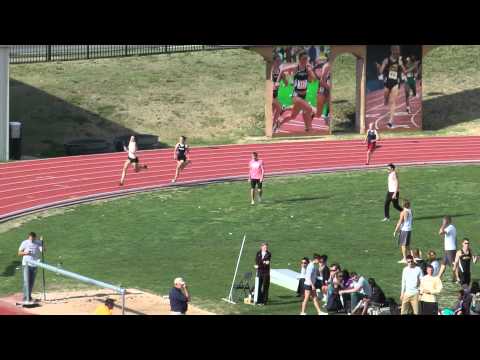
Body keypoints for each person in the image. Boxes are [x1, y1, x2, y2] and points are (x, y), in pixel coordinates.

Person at [277, 51, 316, 132]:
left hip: (303, 96)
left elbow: (312, 79)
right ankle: (309, 128)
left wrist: (310, 70)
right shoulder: (295, 67)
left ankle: (279, 123)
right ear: (299, 59)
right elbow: (282, 70)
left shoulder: (307, 69)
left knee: (293, 116)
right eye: (303, 59)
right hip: (296, 95)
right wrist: (277, 81)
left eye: (306, 59)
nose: (305, 60)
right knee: (309, 109)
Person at [377, 45, 404, 128]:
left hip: (396, 82)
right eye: (396, 50)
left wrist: (401, 65)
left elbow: (405, 71)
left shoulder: (400, 60)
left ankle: (390, 121)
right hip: (387, 82)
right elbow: (381, 71)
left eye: (398, 50)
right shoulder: (386, 60)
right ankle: (385, 100)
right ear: (392, 50)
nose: (398, 52)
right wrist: (379, 67)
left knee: (392, 101)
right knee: (386, 97)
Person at [18, 232, 44, 304]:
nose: (31, 240)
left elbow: (43, 250)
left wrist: (42, 243)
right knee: (26, 281)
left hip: (35, 265)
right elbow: (19, 253)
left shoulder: (38, 242)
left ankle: (29, 297)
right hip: (26, 264)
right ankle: (25, 298)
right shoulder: (25, 243)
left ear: (35, 238)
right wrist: (26, 253)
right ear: (28, 237)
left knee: (31, 282)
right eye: (30, 238)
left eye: (33, 239)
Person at [314, 54, 332, 125]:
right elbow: (321, 81)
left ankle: (327, 116)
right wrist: (329, 87)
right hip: (322, 89)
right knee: (318, 114)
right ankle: (308, 108)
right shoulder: (327, 66)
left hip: (327, 89)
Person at [438, 216, 458, 282]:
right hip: (448, 249)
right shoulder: (450, 227)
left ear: (447, 221)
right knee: (443, 264)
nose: (443, 222)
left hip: (450, 250)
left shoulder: (450, 227)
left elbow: (440, 232)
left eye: (444, 221)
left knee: (453, 265)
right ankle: (438, 277)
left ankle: (456, 278)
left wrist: (443, 225)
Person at [272, 54, 288, 132]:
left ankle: (272, 125)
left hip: (275, 94)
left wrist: (284, 79)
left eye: (280, 61)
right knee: (279, 107)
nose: (279, 62)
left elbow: (286, 83)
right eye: (277, 61)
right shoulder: (270, 70)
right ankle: (273, 125)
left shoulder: (280, 71)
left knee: (274, 110)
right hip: (270, 94)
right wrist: (274, 84)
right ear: (273, 61)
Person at [394, 199, 413, 264]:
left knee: (403, 245)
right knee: (407, 245)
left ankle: (404, 258)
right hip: (409, 229)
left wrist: (396, 230)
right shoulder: (410, 210)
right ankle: (411, 257)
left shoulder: (403, 212)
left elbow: (400, 222)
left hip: (404, 230)